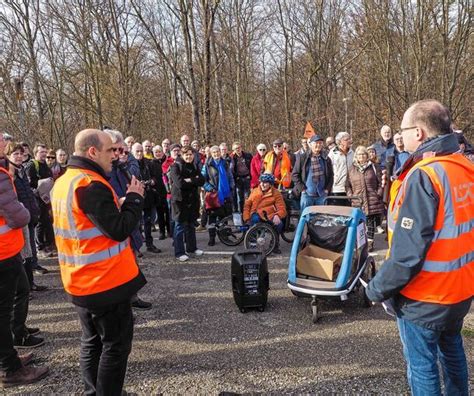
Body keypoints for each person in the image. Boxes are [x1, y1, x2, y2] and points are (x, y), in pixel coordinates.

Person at [366, 100, 474, 396]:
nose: (400, 137)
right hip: (459, 291)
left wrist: (376, 289)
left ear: (420, 133)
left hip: (425, 296)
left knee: (422, 366)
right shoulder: (464, 168)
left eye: (403, 130)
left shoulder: (425, 176)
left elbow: (406, 255)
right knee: (452, 355)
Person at [50, 129, 147, 395]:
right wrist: (135, 200)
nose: (114, 157)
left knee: (91, 341)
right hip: (104, 282)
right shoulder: (89, 184)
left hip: (79, 279)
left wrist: (121, 203)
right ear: (92, 151)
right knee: (115, 347)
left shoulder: (66, 181)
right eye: (109, 151)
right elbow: (118, 229)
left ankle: (94, 391)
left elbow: (89, 222)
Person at [0, 134, 49, 387]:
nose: (4, 141)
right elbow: (18, 216)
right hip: (3, 254)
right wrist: (26, 211)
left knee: (20, 291)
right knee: (3, 310)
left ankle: (10, 352)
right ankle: (10, 369)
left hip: (9, 251)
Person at [6, 143, 47, 294]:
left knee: (30, 252)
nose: (18, 157)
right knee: (23, 255)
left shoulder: (22, 170)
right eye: (15, 154)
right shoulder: (9, 173)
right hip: (18, 219)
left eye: (20, 154)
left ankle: (30, 284)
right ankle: (23, 289)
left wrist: (34, 210)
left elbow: (28, 193)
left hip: (29, 215)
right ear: (8, 156)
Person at [169, 146, 205, 261]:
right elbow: (180, 184)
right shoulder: (175, 167)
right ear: (182, 155)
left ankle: (192, 248)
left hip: (192, 201)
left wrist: (191, 180)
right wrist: (194, 180)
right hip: (180, 202)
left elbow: (202, 180)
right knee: (179, 227)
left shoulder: (194, 165)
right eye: (186, 155)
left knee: (191, 225)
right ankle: (179, 252)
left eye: (190, 154)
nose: (188, 157)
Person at [345, 146, 384, 251]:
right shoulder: (351, 169)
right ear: (356, 156)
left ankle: (370, 243)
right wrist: (350, 195)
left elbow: (381, 183)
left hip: (372, 198)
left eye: (363, 154)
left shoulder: (374, 167)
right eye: (359, 154)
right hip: (358, 199)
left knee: (370, 223)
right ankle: (361, 243)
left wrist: (378, 193)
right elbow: (347, 185)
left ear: (367, 156)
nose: (361, 156)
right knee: (360, 223)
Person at [24, 144, 55, 264]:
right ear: (36, 153)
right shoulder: (32, 165)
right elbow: (29, 183)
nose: (44, 154)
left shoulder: (45, 165)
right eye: (42, 152)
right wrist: (42, 183)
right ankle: (40, 247)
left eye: (45, 152)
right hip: (37, 198)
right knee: (40, 223)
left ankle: (46, 245)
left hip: (46, 198)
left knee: (46, 221)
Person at [242, 173, 287, 254]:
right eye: (261, 182)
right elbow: (247, 205)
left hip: (269, 215)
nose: (262, 184)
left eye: (265, 182)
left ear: (270, 184)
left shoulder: (276, 193)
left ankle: (275, 245)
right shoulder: (255, 191)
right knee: (254, 220)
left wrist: (278, 215)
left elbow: (282, 208)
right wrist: (246, 217)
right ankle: (253, 243)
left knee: (279, 224)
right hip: (256, 213)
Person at [131, 143, 161, 254]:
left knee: (148, 222)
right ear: (132, 152)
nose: (139, 153)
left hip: (148, 196)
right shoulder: (129, 165)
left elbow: (155, 177)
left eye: (141, 151)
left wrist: (151, 181)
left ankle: (149, 244)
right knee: (136, 223)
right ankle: (136, 247)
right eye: (137, 151)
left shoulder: (148, 163)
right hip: (134, 197)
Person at [202, 145, 234, 246]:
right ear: (211, 154)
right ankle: (212, 238)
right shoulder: (207, 164)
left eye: (218, 152)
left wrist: (232, 185)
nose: (216, 154)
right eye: (214, 152)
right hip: (213, 195)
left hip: (225, 194)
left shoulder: (225, 163)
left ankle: (225, 237)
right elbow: (203, 180)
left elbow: (230, 176)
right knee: (212, 217)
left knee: (224, 217)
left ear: (220, 152)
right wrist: (210, 188)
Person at [291, 135, 333, 211]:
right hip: (307, 195)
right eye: (316, 143)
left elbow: (331, 176)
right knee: (305, 218)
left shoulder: (326, 158)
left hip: (322, 195)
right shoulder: (302, 158)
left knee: (321, 219)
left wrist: (327, 189)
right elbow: (294, 175)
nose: (318, 145)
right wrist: (302, 189)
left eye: (320, 143)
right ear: (310, 144)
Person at [327, 131, 354, 205]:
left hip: (350, 189)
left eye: (349, 139)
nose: (349, 141)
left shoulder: (352, 153)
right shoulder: (332, 153)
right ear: (339, 142)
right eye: (346, 139)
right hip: (337, 188)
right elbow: (328, 171)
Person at [151, 145, 171, 239]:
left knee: (168, 212)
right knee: (160, 213)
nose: (158, 154)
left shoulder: (167, 162)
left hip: (167, 190)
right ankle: (162, 232)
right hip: (157, 191)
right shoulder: (151, 163)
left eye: (159, 152)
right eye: (156, 152)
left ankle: (170, 230)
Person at [230, 141, 252, 213]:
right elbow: (231, 169)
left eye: (239, 148)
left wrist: (250, 176)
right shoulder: (232, 158)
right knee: (240, 198)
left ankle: (248, 212)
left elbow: (252, 166)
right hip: (238, 178)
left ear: (241, 148)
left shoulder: (247, 155)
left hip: (247, 177)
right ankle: (241, 213)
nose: (238, 149)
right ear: (233, 150)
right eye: (236, 148)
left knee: (247, 197)